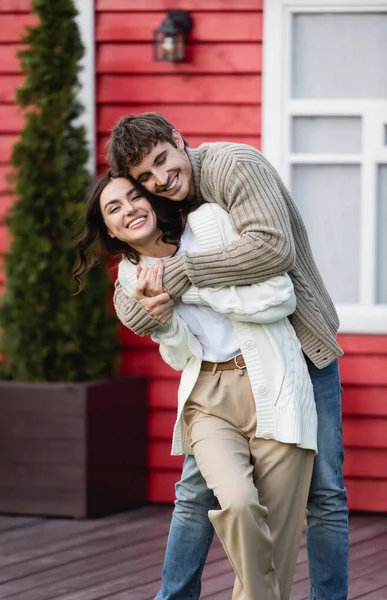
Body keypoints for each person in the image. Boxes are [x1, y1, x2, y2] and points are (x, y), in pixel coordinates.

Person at [106, 112, 349, 600]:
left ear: (179, 139)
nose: (159, 180)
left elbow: (271, 250)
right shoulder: (163, 203)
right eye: (145, 178)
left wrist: (179, 279)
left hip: (300, 345)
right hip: (224, 375)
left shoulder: (232, 166)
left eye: (162, 161)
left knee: (324, 497)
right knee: (198, 495)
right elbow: (138, 302)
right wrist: (144, 296)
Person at [73, 173, 317, 600]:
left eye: (134, 197)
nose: (129, 209)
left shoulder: (210, 224)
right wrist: (166, 322)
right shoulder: (131, 281)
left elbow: (281, 297)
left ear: (151, 201)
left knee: (277, 541)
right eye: (114, 208)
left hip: (275, 385)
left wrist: (193, 288)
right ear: (109, 231)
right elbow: (181, 354)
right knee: (238, 505)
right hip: (207, 397)